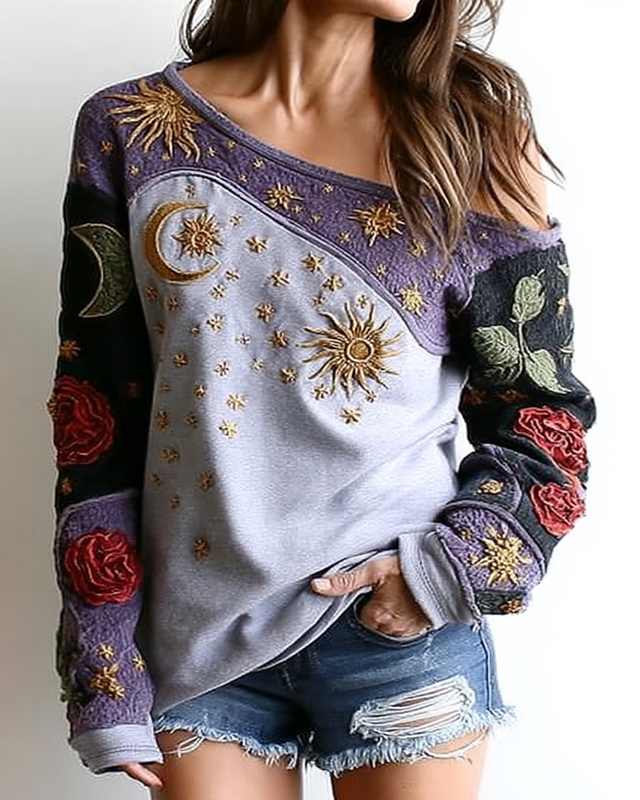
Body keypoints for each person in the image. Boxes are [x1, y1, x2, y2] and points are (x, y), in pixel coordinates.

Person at [49, 1, 595, 798]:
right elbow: (94, 409)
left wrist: (449, 569)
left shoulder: (472, 138)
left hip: (398, 631)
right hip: (198, 639)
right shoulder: (132, 128)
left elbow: (542, 412)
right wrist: (102, 655)